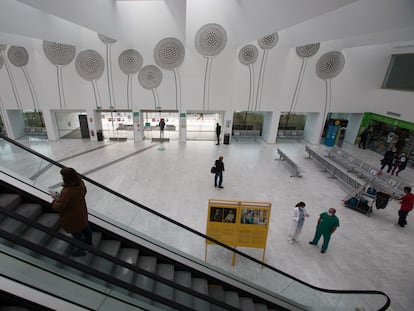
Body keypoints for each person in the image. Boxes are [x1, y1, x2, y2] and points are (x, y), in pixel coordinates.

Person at [51, 167, 92, 257]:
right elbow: (84, 192)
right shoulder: (80, 183)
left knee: (76, 233)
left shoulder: (68, 191)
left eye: (63, 176)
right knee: (85, 226)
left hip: (72, 216)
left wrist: (55, 200)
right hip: (81, 211)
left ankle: (81, 250)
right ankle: (89, 244)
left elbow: (60, 206)